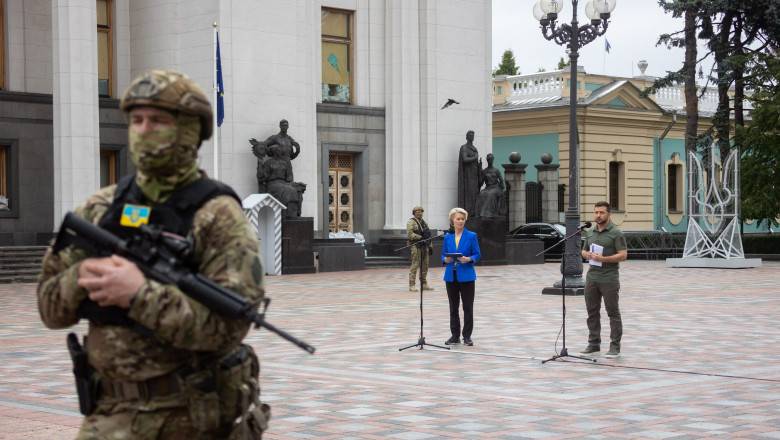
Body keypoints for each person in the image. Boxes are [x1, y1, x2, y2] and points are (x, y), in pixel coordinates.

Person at [37, 70, 269, 439]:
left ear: (189, 131)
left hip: (188, 420)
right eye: (137, 120)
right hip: (106, 416)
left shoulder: (218, 216)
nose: (143, 130)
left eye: (158, 121)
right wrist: (81, 276)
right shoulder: (100, 208)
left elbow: (226, 330)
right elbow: (50, 311)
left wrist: (138, 294)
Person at [579, 201, 628, 359]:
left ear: (609, 214)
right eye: (596, 212)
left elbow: (623, 255)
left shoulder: (616, 233)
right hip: (592, 277)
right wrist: (586, 255)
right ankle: (594, 344)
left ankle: (615, 347)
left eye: (602, 213)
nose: (598, 215)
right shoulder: (590, 232)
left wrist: (604, 259)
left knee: (612, 312)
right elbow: (584, 251)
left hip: (609, 278)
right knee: (592, 312)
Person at [441, 207, 481, 346]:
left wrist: (468, 259)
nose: (460, 221)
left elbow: (477, 254)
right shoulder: (448, 237)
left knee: (468, 307)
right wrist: (445, 259)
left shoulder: (471, 236)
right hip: (451, 276)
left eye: (463, 219)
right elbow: (443, 253)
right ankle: (455, 335)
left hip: (467, 276)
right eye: (458, 219)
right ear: (452, 220)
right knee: (453, 307)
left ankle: (467, 336)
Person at [262, 144, 305, 218]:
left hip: (284, 183)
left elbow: (289, 177)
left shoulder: (284, 163)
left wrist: (295, 184)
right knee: (288, 190)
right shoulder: (268, 163)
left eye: (280, 150)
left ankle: (297, 213)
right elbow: (264, 177)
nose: (280, 151)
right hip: (273, 184)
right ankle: (286, 213)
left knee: (299, 188)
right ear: (274, 152)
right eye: (278, 150)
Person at [406, 206, 434, 292]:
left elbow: (428, 235)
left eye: (421, 211)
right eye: (417, 211)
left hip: (425, 246)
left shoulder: (424, 223)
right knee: (415, 265)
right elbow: (410, 234)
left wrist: (430, 246)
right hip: (416, 245)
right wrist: (420, 237)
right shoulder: (411, 222)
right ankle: (412, 284)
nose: (420, 213)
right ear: (414, 213)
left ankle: (424, 283)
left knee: (425, 265)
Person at [474, 153, 507, 219]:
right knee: (481, 194)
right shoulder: (484, 171)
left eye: (491, 159)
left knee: (490, 194)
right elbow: (481, 183)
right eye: (489, 159)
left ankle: (488, 213)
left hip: (496, 188)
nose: (490, 161)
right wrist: (479, 172)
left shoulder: (496, 170)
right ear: (487, 160)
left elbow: (501, 180)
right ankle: (478, 214)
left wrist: (504, 187)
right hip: (488, 188)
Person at [457, 130, 481, 217]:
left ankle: (474, 212)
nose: (472, 137)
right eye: (470, 135)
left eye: (473, 135)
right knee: (469, 192)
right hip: (468, 175)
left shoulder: (474, 149)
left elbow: (475, 162)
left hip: (474, 173)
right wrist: (475, 157)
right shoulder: (464, 148)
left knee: (475, 192)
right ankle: (468, 212)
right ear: (467, 136)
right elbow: (465, 159)